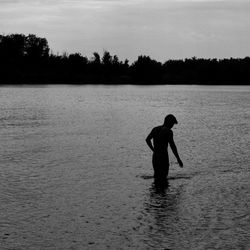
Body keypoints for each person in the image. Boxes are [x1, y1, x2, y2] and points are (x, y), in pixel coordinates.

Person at [146, 114, 183, 181]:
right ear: (169, 122)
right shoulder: (168, 132)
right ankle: (162, 190)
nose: (172, 126)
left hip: (155, 156)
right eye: (172, 124)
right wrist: (178, 158)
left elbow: (147, 139)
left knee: (156, 176)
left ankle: (156, 191)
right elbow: (172, 146)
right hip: (163, 157)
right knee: (164, 177)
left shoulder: (155, 129)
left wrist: (153, 150)